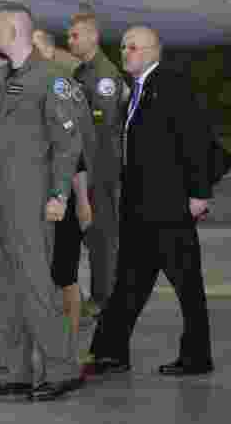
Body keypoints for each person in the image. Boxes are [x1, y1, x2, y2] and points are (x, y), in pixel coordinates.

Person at [0, 6, 85, 401]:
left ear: (15, 30)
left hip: (33, 203)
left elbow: (68, 145)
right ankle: (13, 371)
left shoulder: (51, 79)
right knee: (3, 291)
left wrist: (59, 195)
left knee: (36, 289)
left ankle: (63, 369)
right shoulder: (0, 79)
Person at [86, 26, 214, 377]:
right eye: (124, 47)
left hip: (169, 205)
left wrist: (199, 193)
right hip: (139, 206)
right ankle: (111, 351)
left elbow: (195, 139)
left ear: (154, 51)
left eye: (134, 48)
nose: (126, 53)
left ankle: (197, 356)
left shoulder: (171, 85)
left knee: (187, 284)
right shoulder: (137, 92)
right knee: (129, 281)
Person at [33, 29, 97, 339]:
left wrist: (83, 201)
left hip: (62, 197)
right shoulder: (23, 89)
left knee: (65, 273)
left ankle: (70, 340)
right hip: (31, 197)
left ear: (47, 53)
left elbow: (76, 153)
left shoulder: (61, 89)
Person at [67, 12, 127, 316]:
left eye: (75, 35)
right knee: (91, 233)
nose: (70, 40)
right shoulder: (81, 73)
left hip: (101, 168)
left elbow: (100, 128)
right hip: (86, 166)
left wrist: (90, 170)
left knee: (102, 235)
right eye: (69, 36)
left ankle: (105, 298)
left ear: (93, 37)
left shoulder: (104, 75)